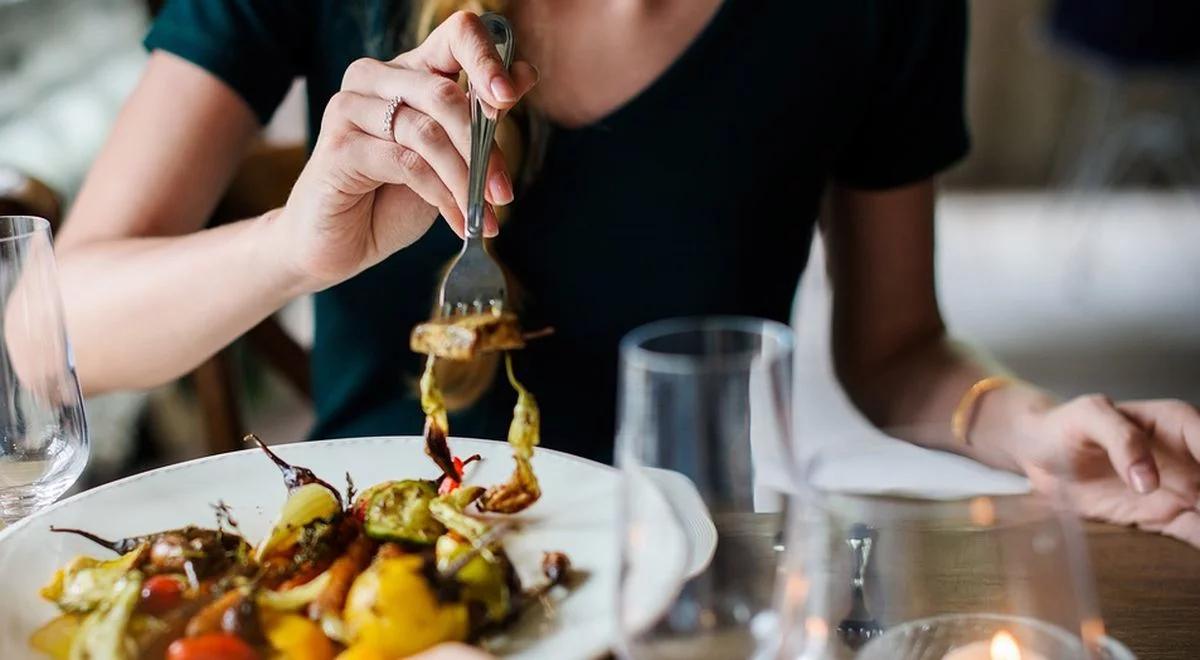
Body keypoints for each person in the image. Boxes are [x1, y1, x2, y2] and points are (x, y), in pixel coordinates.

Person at [55, 0, 1200, 559]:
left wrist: (1028, 429)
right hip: (375, 581)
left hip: (693, 583)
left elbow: (897, 350)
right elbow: (44, 329)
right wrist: (294, 247)